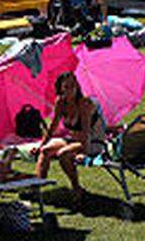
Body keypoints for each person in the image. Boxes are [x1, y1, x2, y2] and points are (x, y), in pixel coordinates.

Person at [34, 72, 107, 203]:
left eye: (73, 85)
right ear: (61, 88)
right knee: (45, 150)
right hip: (72, 140)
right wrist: (41, 144)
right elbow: (52, 127)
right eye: (67, 86)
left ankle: (76, 188)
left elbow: (85, 133)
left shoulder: (84, 104)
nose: (71, 89)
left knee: (63, 154)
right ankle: (36, 189)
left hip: (92, 142)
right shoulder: (60, 102)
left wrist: (84, 153)